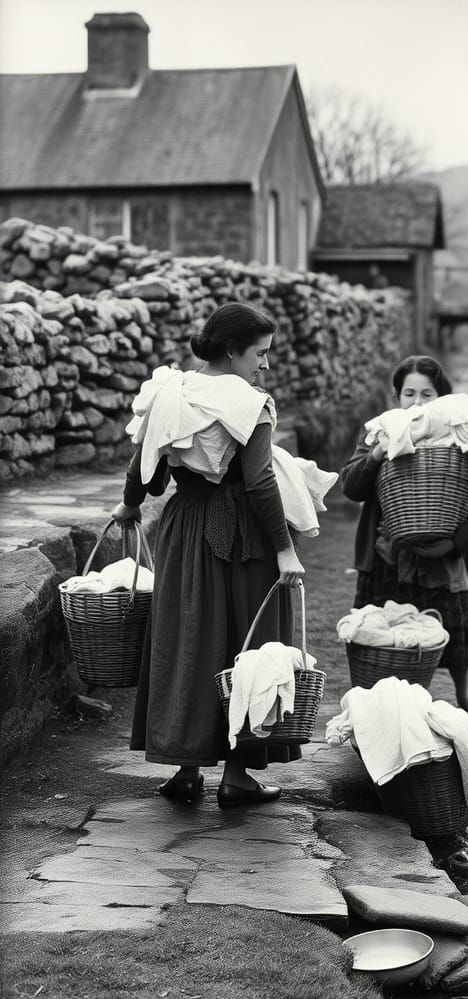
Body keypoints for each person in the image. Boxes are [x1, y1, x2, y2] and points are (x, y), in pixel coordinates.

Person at [112, 302, 306, 809]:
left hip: (184, 528)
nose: (264, 365)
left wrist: (130, 505)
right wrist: (285, 551)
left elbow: (146, 468)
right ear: (231, 350)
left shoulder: (171, 392)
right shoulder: (249, 403)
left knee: (190, 636)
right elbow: (261, 482)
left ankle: (187, 767)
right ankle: (238, 776)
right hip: (244, 535)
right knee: (249, 644)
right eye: (259, 354)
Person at [340, 355, 468, 721]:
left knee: (454, 633)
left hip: (442, 559)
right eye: (409, 393)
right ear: (397, 397)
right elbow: (351, 486)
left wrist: (454, 543)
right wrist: (378, 453)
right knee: (385, 631)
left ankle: (464, 693)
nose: (417, 402)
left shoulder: (459, 439)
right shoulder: (379, 433)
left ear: (441, 399)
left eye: (427, 393)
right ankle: (380, 701)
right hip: (387, 555)